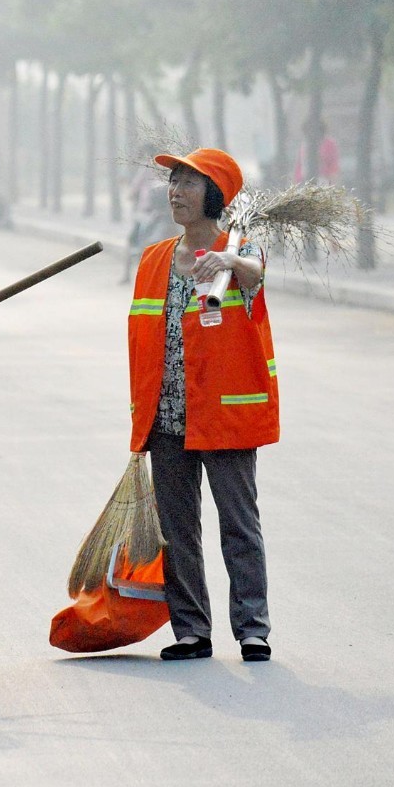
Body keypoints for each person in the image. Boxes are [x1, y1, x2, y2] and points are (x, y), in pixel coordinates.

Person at [126, 147, 279, 663]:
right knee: (177, 528)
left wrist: (229, 260)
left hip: (224, 413)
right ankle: (191, 629)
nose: (176, 192)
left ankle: (252, 628)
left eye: (189, 183)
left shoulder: (238, 252)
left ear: (213, 195)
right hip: (166, 415)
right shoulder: (153, 259)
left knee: (238, 523)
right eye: (173, 183)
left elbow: (257, 270)